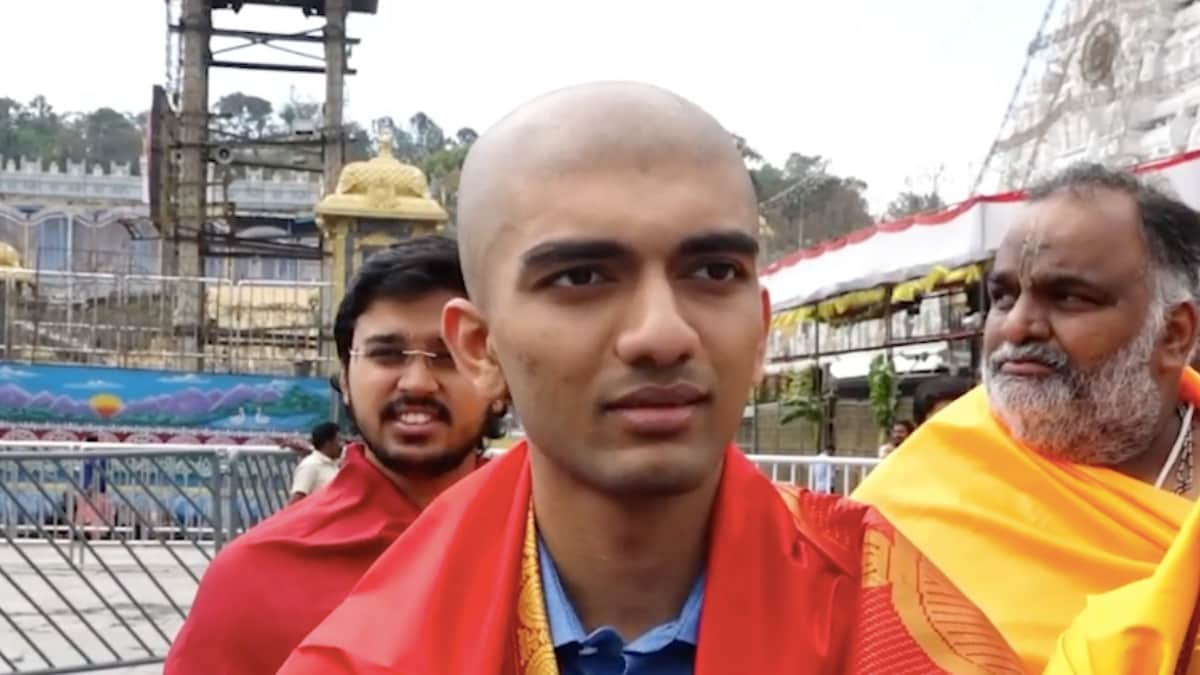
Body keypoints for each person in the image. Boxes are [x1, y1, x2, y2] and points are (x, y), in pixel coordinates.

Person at [278, 82, 1021, 675]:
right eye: (582, 276)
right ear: (481, 347)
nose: (664, 333)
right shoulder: (373, 652)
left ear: (760, 328)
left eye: (711, 271)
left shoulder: (891, 622)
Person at [855, 163, 1200, 673]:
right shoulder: (907, 500)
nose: (1017, 326)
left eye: (1069, 297)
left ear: (1173, 334)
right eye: (1003, 297)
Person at [165, 237, 506, 675]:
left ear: (500, 380)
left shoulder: (559, 556)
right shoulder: (255, 577)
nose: (417, 383)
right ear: (345, 379)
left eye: (448, 357)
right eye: (386, 354)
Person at [288, 421, 342, 503]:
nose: (341, 445)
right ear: (328, 443)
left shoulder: (333, 464)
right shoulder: (310, 466)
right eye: (338, 441)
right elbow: (295, 502)